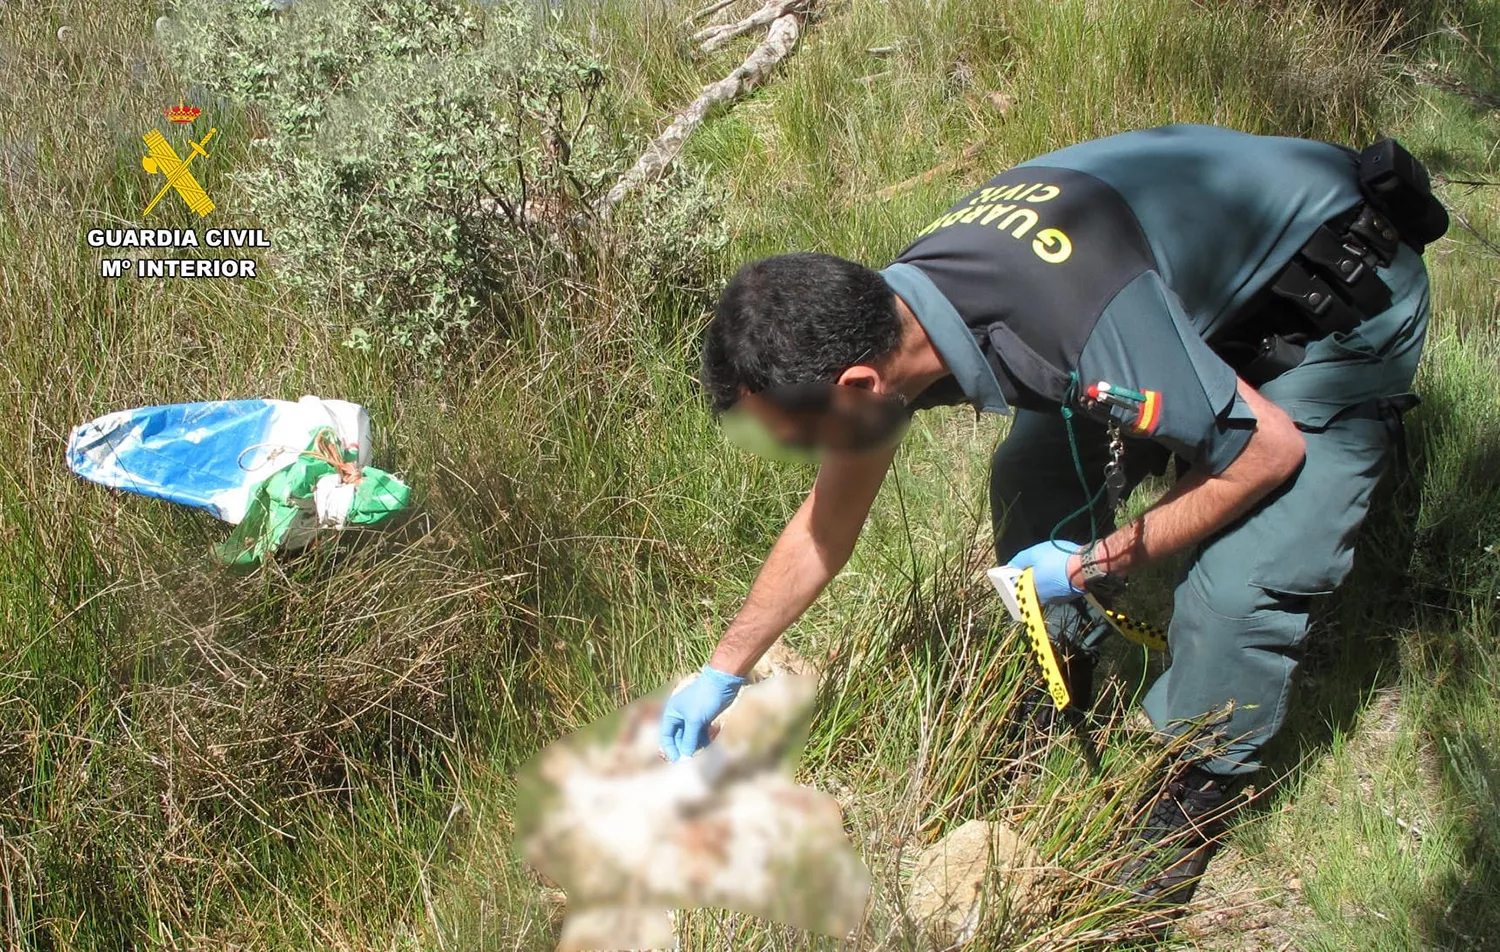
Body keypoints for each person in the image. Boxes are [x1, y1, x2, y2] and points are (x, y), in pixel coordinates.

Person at [657, 124, 1445, 908]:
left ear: (860, 385)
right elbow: (826, 527)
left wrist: (1090, 566)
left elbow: (1269, 451)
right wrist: (722, 672)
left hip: (1332, 298)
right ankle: (1058, 676)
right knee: (1031, 475)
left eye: (803, 438)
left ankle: (1187, 804)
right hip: (1172, 299)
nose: (809, 458)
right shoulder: (890, 313)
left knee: (1231, 596)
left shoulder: (1064, 321)